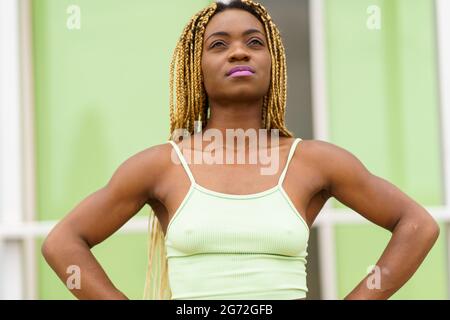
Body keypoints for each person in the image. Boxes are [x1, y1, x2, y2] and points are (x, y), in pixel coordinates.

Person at [42, 0, 440, 300]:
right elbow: (62, 242)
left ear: (274, 62)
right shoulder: (162, 165)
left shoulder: (315, 162)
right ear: (195, 67)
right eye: (219, 45)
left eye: (254, 42)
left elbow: (418, 225)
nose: (239, 52)